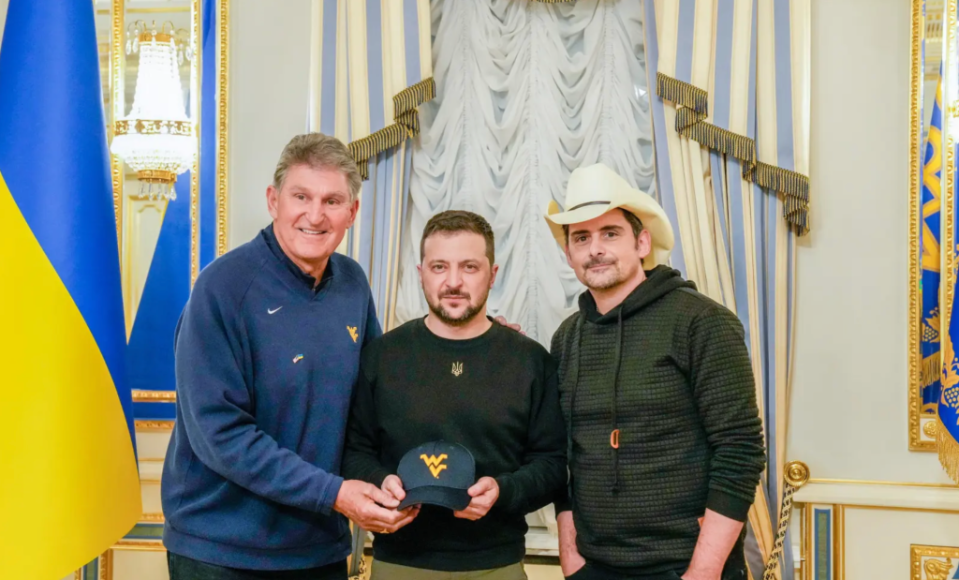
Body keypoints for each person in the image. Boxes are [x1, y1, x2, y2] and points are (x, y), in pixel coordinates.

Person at [161, 133, 416, 579]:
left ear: (352, 213)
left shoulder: (352, 283)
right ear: (273, 200)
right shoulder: (221, 289)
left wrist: (476, 337)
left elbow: (374, 401)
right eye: (301, 196)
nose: (315, 215)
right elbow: (222, 436)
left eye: (333, 201)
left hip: (319, 549)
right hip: (221, 553)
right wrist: (335, 494)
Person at [544, 163, 766, 580]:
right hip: (593, 567)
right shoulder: (567, 338)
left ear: (641, 241)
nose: (595, 249)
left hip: (687, 567)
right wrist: (571, 559)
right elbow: (564, 456)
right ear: (569, 253)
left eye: (610, 233)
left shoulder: (701, 322)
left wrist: (703, 571)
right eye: (581, 237)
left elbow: (740, 450)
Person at [342, 210, 568, 580]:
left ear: (492, 275)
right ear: (421, 274)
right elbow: (354, 451)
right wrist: (380, 481)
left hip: (496, 564)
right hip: (399, 560)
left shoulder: (530, 360)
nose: (453, 282)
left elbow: (552, 463)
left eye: (469, 267)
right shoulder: (382, 356)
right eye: (439, 267)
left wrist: (504, 491)